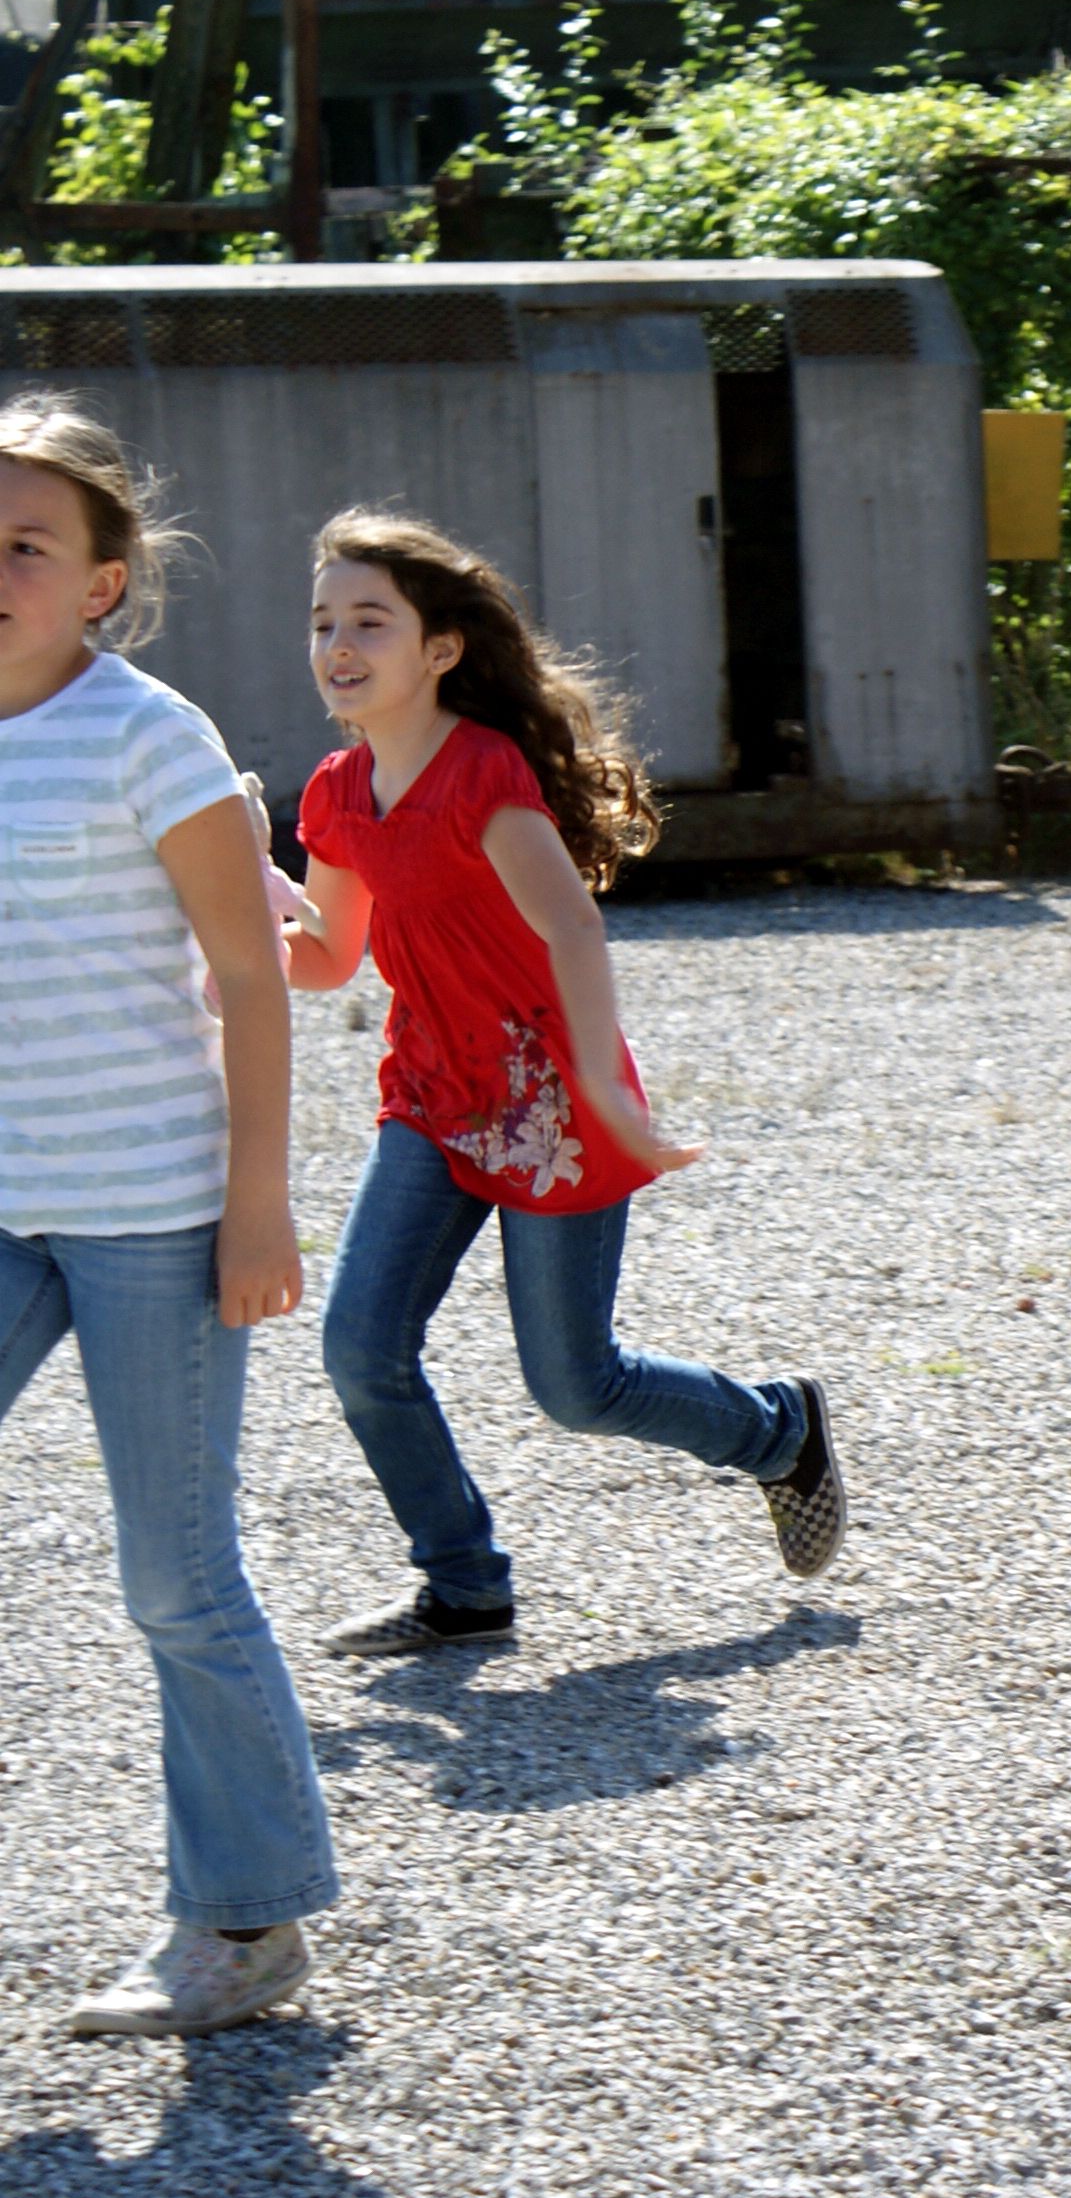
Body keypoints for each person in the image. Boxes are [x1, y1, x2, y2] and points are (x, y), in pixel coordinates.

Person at [282, 511, 843, 1655]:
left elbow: (574, 929)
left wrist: (606, 1089)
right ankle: (463, 1585)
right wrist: (235, 899)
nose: (340, 644)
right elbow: (325, 961)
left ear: (440, 648)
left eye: (370, 622)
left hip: (555, 1113)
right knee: (359, 1345)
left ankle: (778, 1435)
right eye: (325, 622)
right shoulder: (336, 794)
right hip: (430, 1103)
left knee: (576, 1385)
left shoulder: (483, 773)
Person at [0, 393, 340, 2035]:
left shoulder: (153, 735)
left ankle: (246, 1922)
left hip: (153, 1215)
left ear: (103, 582)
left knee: (176, 1579)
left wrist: (257, 1203)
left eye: (26, 545)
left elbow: (251, 976)